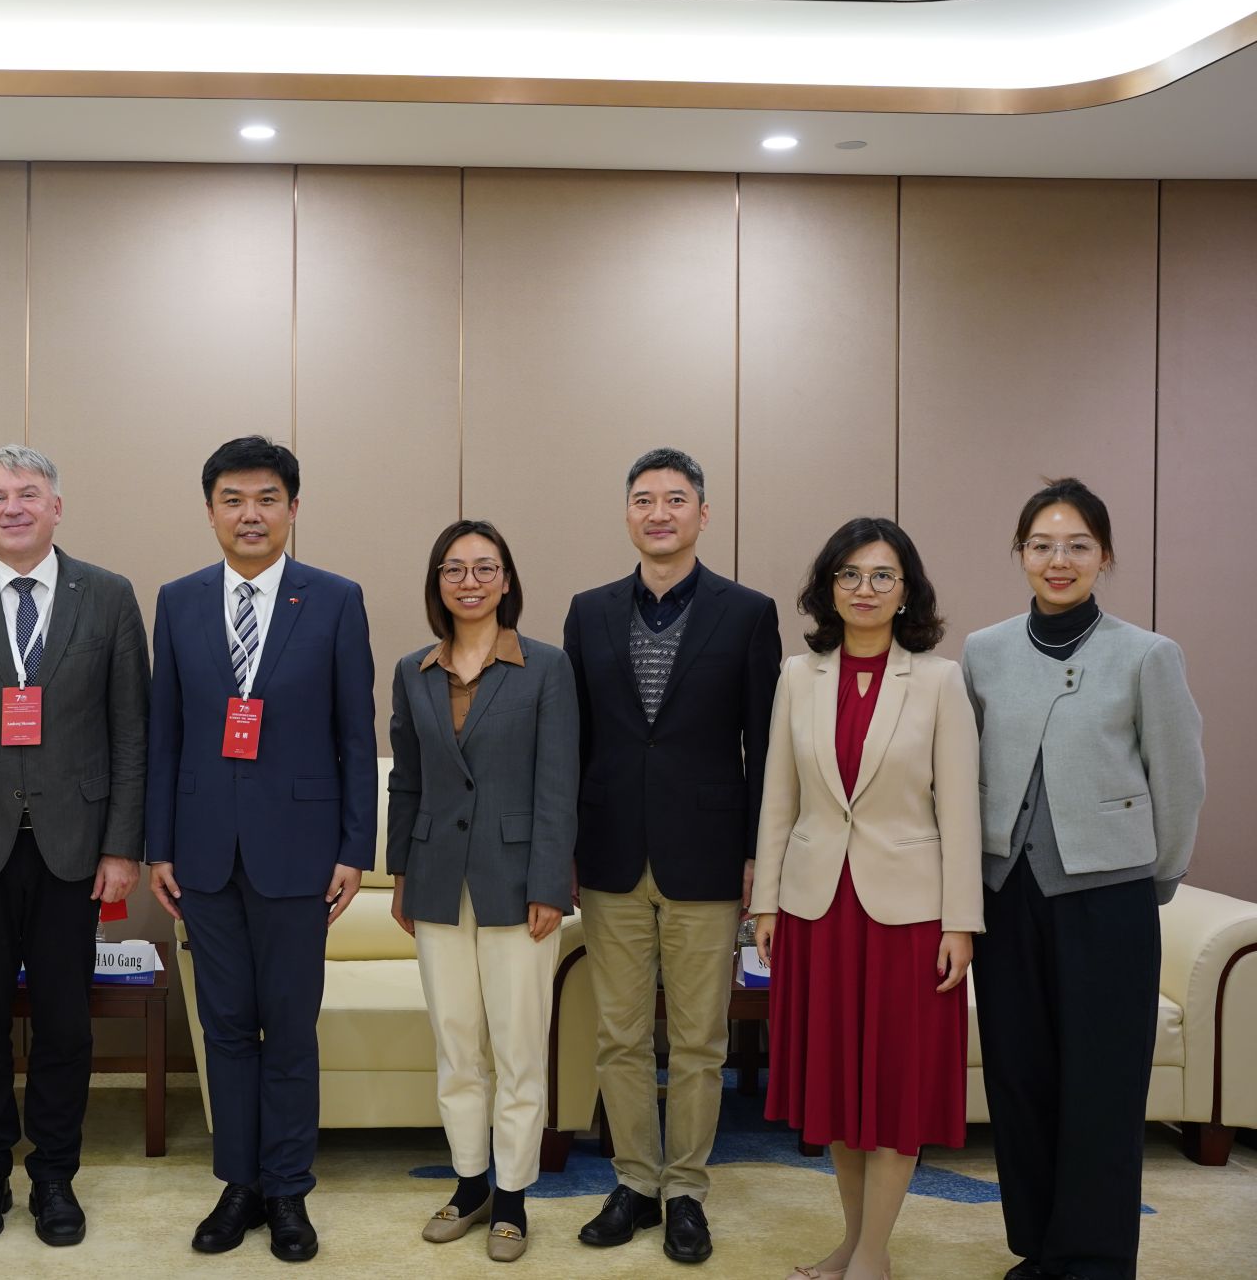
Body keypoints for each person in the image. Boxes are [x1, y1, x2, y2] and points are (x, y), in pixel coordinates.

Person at [0, 446, 150, 1248]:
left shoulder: (108, 595)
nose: (13, 507)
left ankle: (54, 1172)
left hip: (75, 848)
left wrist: (122, 845)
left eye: (29, 494)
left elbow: (131, 733)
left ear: (56, 506)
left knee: (65, 1021)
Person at [962, 478, 1203, 1280]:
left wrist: (1154, 880)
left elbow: (1180, 781)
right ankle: (1039, 1247)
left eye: (1077, 545)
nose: (1058, 560)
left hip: (1110, 897)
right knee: (1019, 1077)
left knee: (1103, 1082)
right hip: (1005, 893)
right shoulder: (984, 651)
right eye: (1042, 545)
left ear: (1104, 556)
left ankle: (1095, 1259)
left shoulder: (1147, 654)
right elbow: (961, 773)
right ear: (1020, 553)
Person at [146, 436, 377, 1263]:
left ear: (293, 508)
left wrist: (355, 846)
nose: (251, 514)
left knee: (290, 1028)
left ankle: (287, 1189)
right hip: (203, 851)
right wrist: (158, 844)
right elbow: (165, 732)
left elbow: (357, 733)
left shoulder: (335, 599)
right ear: (211, 510)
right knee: (225, 1027)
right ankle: (238, 1183)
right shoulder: (178, 600)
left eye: (267, 498)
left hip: (301, 851)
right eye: (233, 499)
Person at [560, 446, 779, 1266]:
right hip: (609, 851)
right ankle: (634, 1182)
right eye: (645, 499)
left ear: (702, 514)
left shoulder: (747, 612)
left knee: (698, 1040)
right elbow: (572, 742)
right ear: (628, 513)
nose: (660, 512)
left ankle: (685, 1188)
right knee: (618, 1034)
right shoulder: (587, 612)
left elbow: (766, 746)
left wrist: (758, 854)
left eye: (676, 499)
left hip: (709, 856)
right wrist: (564, 845)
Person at [751, 518, 981, 1280]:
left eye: (883, 575)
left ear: (907, 589)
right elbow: (778, 797)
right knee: (838, 1092)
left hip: (909, 918)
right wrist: (766, 904)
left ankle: (874, 1256)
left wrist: (961, 922)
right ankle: (853, 1244)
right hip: (817, 911)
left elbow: (960, 810)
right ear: (828, 587)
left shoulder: (940, 679)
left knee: (893, 1090)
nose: (865, 588)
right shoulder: (798, 675)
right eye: (849, 574)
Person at [387, 520, 577, 1264]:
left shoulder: (546, 667)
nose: (469, 581)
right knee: (456, 1043)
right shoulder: (413, 670)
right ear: (437, 582)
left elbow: (558, 784)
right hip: (436, 880)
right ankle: (470, 1185)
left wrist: (550, 883)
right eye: (454, 569)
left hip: (518, 883)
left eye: (484, 568)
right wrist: (401, 875)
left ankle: (515, 1197)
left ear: (506, 580)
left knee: (519, 1048)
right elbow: (407, 781)